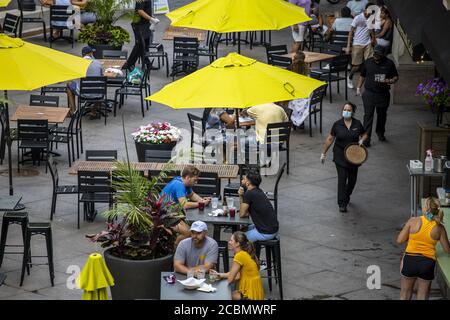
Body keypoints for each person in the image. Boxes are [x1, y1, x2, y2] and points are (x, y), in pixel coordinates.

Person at [397, 197, 450, 300]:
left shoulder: (413, 221)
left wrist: (412, 236)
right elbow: (447, 250)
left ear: (425, 208)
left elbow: (399, 240)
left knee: (404, 295)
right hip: (427, 263)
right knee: (422, 296)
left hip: (410, 260)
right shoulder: (439, 228)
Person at [321, 102, 368, 212]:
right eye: (345, 109)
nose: (346, 111)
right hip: (340, 155)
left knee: (352, 181)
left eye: (349, 110)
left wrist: (362, 140)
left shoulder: (357, 124)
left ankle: (347, 195)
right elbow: (330, 139)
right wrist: (323, 153)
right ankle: (342, 203)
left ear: (352, 112)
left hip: (354, 156)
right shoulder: (337, 124)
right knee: (342, 179)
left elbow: (365, 134)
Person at [356, 45, 398, 146]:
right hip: (369, 93)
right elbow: (362, 75)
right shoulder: (368, 62)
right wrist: (358, 88)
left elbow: (396, 77)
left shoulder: (389, 63)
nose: (375, 56)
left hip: (383, 94)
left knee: (382, 115)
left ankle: (380, 133)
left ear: (383, 54)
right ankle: (366, 139)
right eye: (375, 53)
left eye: (378, 54)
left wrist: (391, 80)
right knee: (368, 116)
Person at [210, 231, 264, 300]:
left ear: (237, 244)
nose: (229, 242)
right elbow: (238, 275)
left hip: (251, 295)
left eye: (231, 240)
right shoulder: (245, 253)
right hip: (256, 291)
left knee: (226, 296)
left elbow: (230, 279)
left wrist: (217, 284)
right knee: (234, 293)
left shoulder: (239, 256)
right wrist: (219, 275)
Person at [238, 169, 279, 242]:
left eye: (244, 179)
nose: (242, 181)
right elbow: (246, 213)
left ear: (248, 183)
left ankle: (250, 253)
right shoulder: (258, 191)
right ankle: (251, 250)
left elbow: (242, 214)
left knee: (238, 239)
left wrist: (241, 196)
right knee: (243, 229)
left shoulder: (249, 193)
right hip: (272, 228)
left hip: (266, 232)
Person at [122, 0, 160, 71]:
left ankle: (147, 63)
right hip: (139, 25)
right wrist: (151, 19)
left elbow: (146, 9)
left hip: (145, 24)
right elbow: (140, 11)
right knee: (139, 45)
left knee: (145, 44)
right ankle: (129, 63)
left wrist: (151, 17)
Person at [346, 3, 376, 90]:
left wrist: (373, 38)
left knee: (370, 62)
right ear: (365, 10)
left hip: (368, 43)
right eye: (368, 12)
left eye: (370, 13)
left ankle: (369, 81)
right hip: (357, 43)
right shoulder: (358, 18)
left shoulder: (371, 18)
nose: (368, 14)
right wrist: (348, 45)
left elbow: (370, 29)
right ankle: (350, 77)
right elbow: (351, 32)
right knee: (356, 66)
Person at [66, 46, 103, 115]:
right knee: (100, 85)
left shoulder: (79, 63)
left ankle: (73, 110)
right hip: (98, 93)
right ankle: (94, 111)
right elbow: (101, 76)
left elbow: (75, 78)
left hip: (83, 93)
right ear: (91, 53)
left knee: (69, 84)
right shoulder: (98, 63)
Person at [287, 51, 311, 128]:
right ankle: (299, 121)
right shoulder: (307, 69)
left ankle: (290, 119)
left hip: (295, 96)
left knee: (289, 101)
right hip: (306, 97)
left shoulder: (291, 68)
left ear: (294, 60)